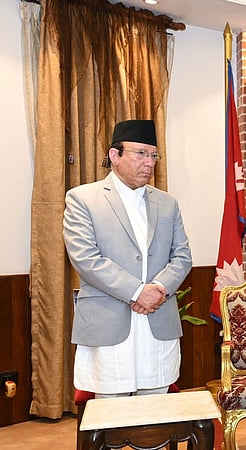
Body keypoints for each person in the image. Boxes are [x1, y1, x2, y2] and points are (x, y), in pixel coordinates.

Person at [63, 119, 192, 398]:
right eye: (141, 153)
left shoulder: (167, 203)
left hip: (157, 319)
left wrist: (158, 289)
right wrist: (137, 291)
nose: (149, 163)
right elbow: (86, 258)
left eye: (154, 155)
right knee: (111, 411)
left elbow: (182, 256)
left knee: (156, 411)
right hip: (109, 322)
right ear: (115, 155)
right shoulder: (83, 199)